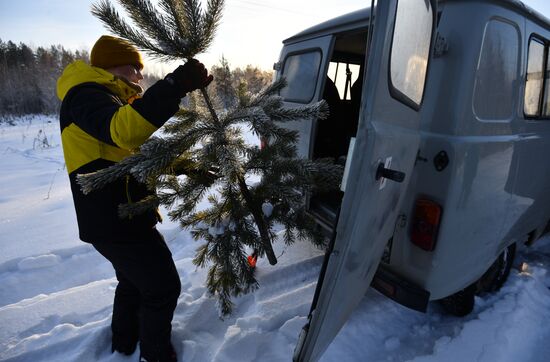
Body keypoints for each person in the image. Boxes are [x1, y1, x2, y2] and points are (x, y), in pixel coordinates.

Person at [56, 35, 213, 362]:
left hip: (120, 216)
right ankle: (155, 355)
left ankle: (124, 343)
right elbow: (123, 132)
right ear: (114, 64)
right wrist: (173, 85)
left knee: (132, 283)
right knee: (162, 287)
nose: (140, 77)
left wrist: (186, 167)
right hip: (115, 219)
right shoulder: (86, 95)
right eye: (135, 68)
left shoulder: (104, 98)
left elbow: (133, 153)